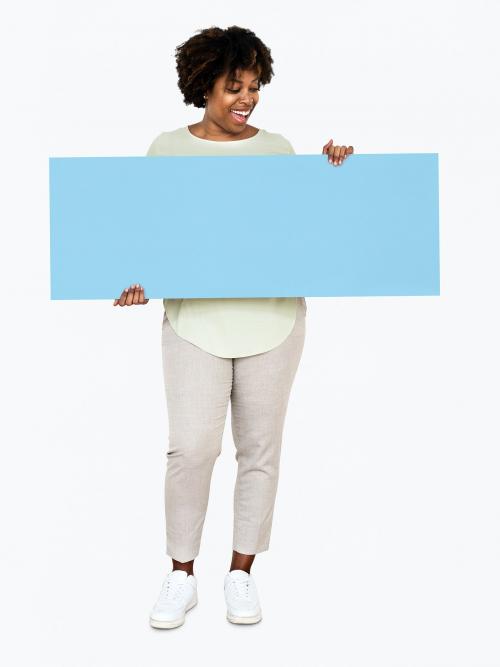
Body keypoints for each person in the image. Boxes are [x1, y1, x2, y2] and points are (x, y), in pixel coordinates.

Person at [113, 25, 354, 629]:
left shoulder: (276, 147)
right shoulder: (167, 147)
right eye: (232, 87)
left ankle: (241, 572)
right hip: (196, 320)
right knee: (191, 449)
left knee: (260, 451)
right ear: (203, 86)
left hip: (272, 318)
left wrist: (335, 172)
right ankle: (181, 574)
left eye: (253, 86)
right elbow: (145, 228)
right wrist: (133, 278)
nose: (245, 98)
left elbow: (305, 226)